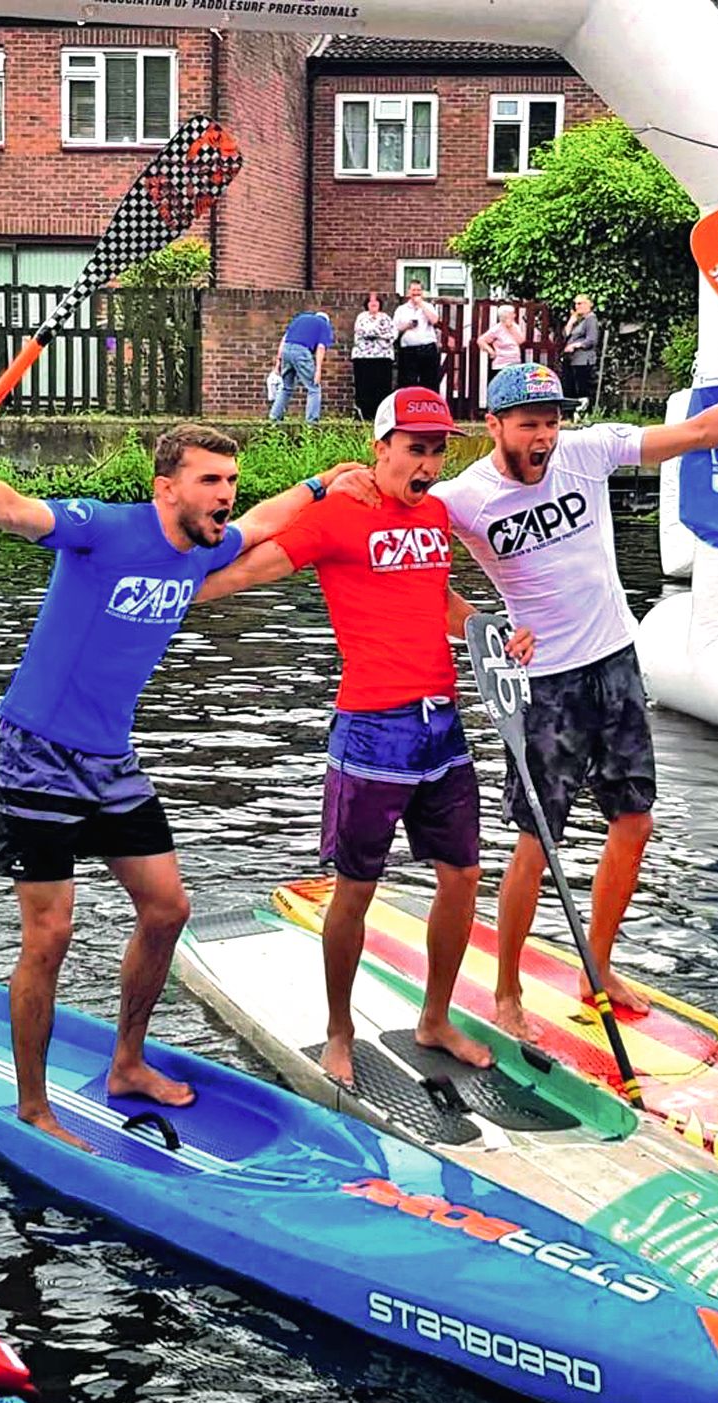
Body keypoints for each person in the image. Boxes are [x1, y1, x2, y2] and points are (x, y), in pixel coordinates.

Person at [0, 423, 375, 1150]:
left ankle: (126, 1064)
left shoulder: (211, 545)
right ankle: (34, 1108)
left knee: (166, 909)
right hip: (36, 750)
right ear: (167, 487)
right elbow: (15, 510)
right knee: (51, 932)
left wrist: (323, 484)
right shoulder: (105, 527)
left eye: (230, 482)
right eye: (209, 482)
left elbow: (266, 520)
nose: (225, 497)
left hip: (109, 757)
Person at [434, 354, 718, 1038]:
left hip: (614, 662)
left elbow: (696, 434)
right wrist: (482, 628)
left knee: (633, 822)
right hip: (542, 685)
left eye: (551, 422)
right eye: (527, 425)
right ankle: (506, 990)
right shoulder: (463, 498)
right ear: (492, 425)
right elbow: (411, 567)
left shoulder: (587, 452)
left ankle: (595, 966)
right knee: (537, 842)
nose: (543, 437)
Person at [194, 388, 534, 1088]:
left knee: (463, 877)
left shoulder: (436, 515)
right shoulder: (337, 515)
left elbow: (437, 598)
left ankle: (434, 1018)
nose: (430, 463)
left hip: (441, 723)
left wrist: (493, 633)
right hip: (370, 730)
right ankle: (340, 1030)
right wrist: (172, 588)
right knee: (355, 888)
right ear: (379, 448)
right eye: (416, 448)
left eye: (438, 449)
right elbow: (252, 564)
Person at [270, 309, 334, 423]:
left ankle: (274, 417)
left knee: (286, 387)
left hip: (286, 350)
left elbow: (284, 340)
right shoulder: (324, 325)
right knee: (314, 388)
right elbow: (321, 347)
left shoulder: (300, 318)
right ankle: (312, 422)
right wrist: (318, 370)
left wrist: (278, 362)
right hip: (301, 351)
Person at [350, 291, 396, 421]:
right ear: (367, 304)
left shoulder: (386, 317)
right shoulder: (361, 317)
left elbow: (392, 334)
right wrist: (380, 333)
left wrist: (375, 333)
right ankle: (363, 414)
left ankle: (380, 415)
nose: (374, 304)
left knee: (381, 386)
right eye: (371, 302)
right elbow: (362, 331)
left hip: (383, 357)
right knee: (364, 386)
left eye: (376, 302)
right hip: (363, 357)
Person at [391, 282, 441, 392]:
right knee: (407, 382)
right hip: (408, 350)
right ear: (408, 292)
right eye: (414, 290)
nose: (416, 293)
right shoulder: (401, 309)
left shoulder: (428, 306)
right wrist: (407, 325)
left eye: (418, 290)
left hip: (427, 348)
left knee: (430, 381)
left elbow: (434, 320)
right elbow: (394, 328)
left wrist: (421, 305)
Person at [560, 294, 599, 408]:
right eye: (576, 304)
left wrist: (576, 345)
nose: (577, 306)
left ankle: (583, 412)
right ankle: (572, 412)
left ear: (589, 304)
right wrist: (570, 323)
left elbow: (592, 340)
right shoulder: (579, 320)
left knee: (582, 388)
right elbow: (565, 337)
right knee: (569, 387)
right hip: (571, 359)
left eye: (580, 303)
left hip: (583, 360)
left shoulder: (591, 319)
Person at [476, 303, 527, 374]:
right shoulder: (496, 329)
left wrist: (511, 329)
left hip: (515, 363)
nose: (514, 316)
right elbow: (481, 340)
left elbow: (521, 340)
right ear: (504, 316)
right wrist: (491, 351)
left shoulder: (515, 327)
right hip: (501, 365)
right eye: (512, 314)